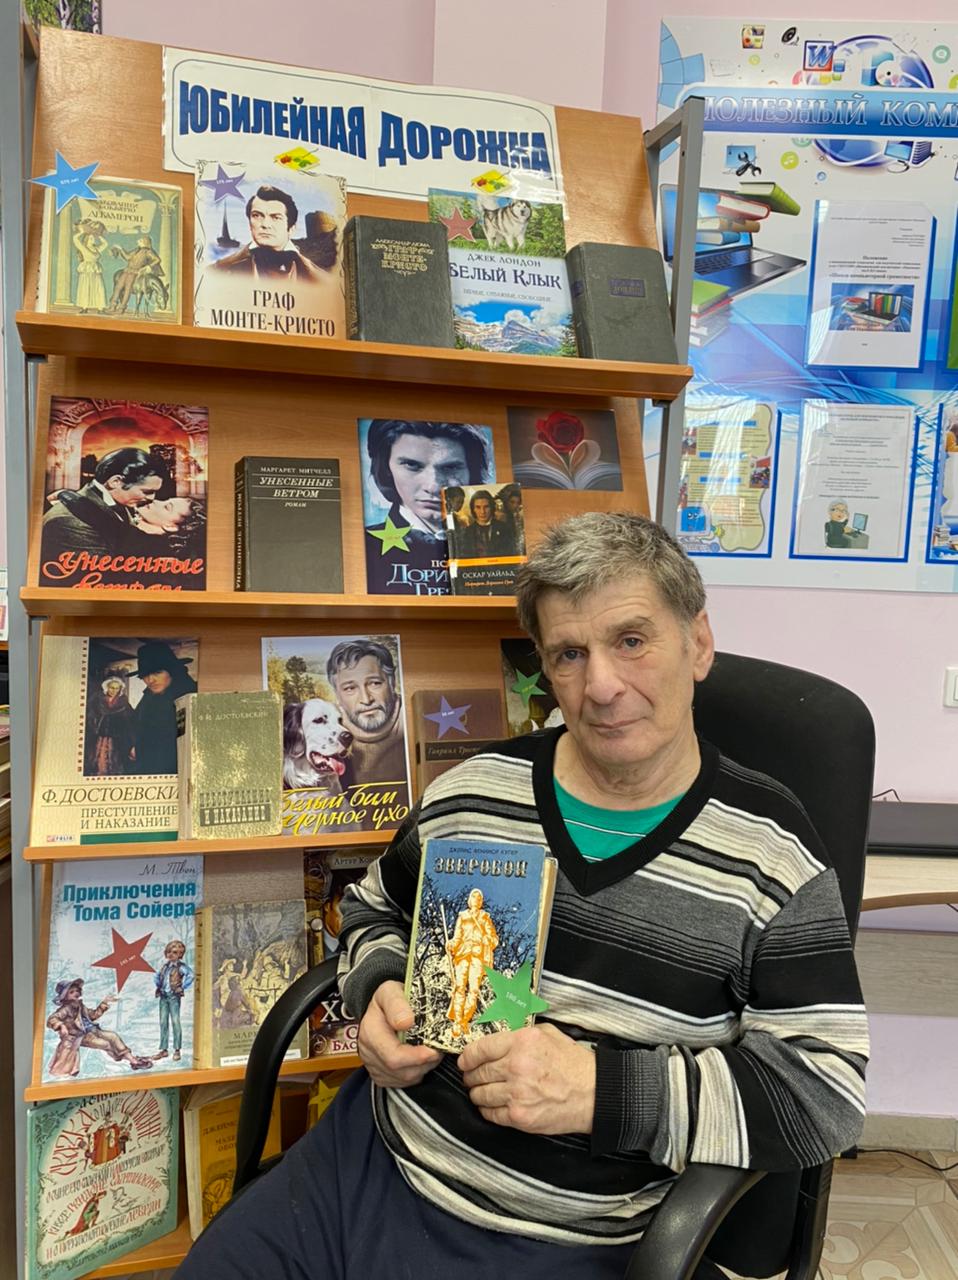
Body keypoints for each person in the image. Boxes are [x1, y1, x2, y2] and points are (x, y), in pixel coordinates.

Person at [172, 513, 867, 1280]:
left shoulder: (773, 856)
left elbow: (823, 1094)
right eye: (570, 654)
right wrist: (379, 991)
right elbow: (372, 909)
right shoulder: (474, 793)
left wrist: (599, 1091)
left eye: (631, 640)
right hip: (367, 1166)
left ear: (698, 642)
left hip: (573, 1235)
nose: (602, 686)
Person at [362, 419, 492, 593]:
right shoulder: (365, 546)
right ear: (386, 468)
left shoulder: (499, 545)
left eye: (451, 467)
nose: (433, 486)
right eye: (412, 465)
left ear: (472, 471)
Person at [40, 447, 169, 569]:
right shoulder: (67, 522)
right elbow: (99, 575)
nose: (152, 498)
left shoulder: (122, 503)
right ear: (116, 482)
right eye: (147, 492)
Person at [326, 639, 407, 786]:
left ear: (392, 682)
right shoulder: (325, 732)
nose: (366, 699)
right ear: (337, 694)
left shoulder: (414, 720)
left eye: (375, 683)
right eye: (350, 688)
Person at [213, 186, 330, 280]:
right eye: (257, 215)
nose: (265, 224)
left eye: (276, 217)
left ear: (291, 228)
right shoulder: (220, 271)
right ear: (249, 223)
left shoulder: (320, 279)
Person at [46, 979, 154, 1077]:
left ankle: (133, 1060)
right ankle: (123, 1057)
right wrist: (61, 1026)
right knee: (105, 1043)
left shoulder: (80, 1005)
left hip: (92, 1030)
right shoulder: (65, 1009)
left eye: (77, 991)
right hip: (79, 1037)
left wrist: (104, 1003)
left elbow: (93, 1015)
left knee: (113, 1036)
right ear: (65, 996)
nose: (76, 993)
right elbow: (52, 1019)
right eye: (71, 992)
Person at [131, 640, 197, 775]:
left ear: (171, 671)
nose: (150, 680)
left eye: (157, 672)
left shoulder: (190, 695)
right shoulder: (148, 697)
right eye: (145, 675)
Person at [446, 888, 499, 1039]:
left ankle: (465, 1020)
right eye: (474, 896)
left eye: (479, 897)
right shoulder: (462, 916)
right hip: (463, 954)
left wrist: (487, 940)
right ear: (470, 900)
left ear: (481, 902)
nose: (476, 899)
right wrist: (451, 944)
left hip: (478, 956)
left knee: (474, 990)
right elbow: (457, 937)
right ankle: (457, 1022)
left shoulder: (485, 917)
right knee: (459, 987)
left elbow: (494, 939)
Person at [86, 676, 135, 776]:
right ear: (107, 687)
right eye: (112, 688)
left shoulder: (124, 703)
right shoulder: (97, 701)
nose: (114, 691)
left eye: (117, 688)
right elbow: (90, 717)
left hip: (118, 737)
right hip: (100, 736)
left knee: (116, 761)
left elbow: (131, 720)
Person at [154, 939, 193, 1062]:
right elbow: (156, 976)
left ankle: (177, 1049)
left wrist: (182, 987)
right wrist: (158, 986)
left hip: (173, 997)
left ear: (180, 954)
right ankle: (164, 1049)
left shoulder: (181, 967)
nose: (171, 954)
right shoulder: (165, 967)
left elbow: (191, 976)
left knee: (175, 1021)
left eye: (175, 952)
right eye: (169, 952)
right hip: (163, 996)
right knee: (163, 1022)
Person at [72, 218, 108, 313]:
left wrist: (99, 235)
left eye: (93, 238)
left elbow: (105, 244)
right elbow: (75, 239)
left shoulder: (96, 249)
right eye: (91, 238)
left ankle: (100, 308)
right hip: (87, 269)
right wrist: (81, 232)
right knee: (86, 287)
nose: (93, 239)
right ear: (87, 239)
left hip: (95, 269)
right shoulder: (83, 248)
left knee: (98, 288)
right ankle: (84, 307)